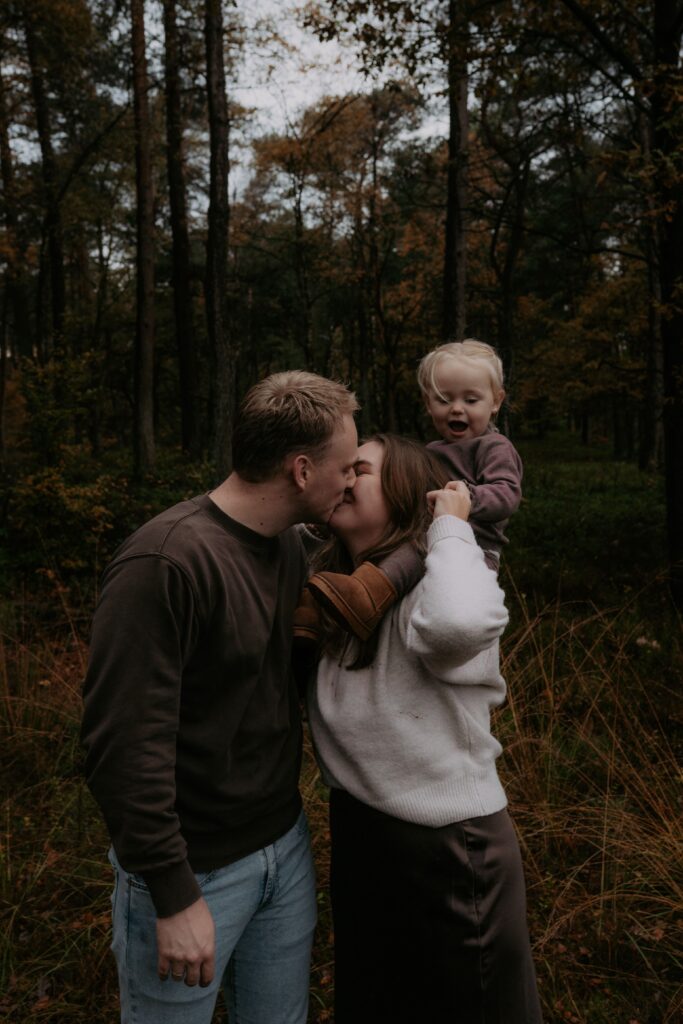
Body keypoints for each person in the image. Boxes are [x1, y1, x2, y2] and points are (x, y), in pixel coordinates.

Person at [81, 370, 359, 1024]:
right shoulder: (166, 563)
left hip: (283, 847)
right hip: (193, 870)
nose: (351, 481)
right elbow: (121, 747)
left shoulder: (290, 546)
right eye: (345, 467)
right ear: (300, 470)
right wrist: (173, 894)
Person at [306, 433, 542, 1024]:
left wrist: (452, 525)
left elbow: (457, 626)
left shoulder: (442, 586)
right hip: (363, 834)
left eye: (361, 469)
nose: (345, 479)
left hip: (449, 846)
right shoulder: (342, 587)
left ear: (409, 490)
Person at [305, 339, 523, 640]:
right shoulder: (429, 452)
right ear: (428, 403)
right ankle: (311, 615)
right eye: (444, 399)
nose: (457, 409)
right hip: (424, 535)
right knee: (376, 546)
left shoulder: (494, 447)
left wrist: (466, 498)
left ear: (496, 401)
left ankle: (368, 595)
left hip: (473, 547)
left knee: (413, 549)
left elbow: (507, 495)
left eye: (471, 400)